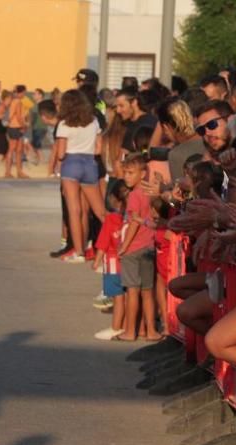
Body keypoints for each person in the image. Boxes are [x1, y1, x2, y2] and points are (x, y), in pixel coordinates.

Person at [54, 89, 106, 263]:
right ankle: (117, 239)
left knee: (74, 211)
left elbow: (61, 154)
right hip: (90, 163)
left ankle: (79, 252)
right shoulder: (93, 121)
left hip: (71, 164)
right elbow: (99, 148)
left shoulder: (64, 124)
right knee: (98, 211)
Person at [115, 153, 160, 342]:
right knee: (148, 292)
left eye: (131, 173)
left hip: (133, 249)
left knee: (132, 291)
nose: (126, 176)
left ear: (142, 174)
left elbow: (133, 223)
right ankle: (150, 331)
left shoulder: (134, 195)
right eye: (125, 173)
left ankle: (130, 331)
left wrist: (123, 247)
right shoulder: (150, 192)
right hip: (149, 246)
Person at [93, 179, 129, 340]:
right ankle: (128, 325)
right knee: (129, 297)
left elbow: (103, 242)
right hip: (128, 263)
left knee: (118, 299)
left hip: (113, 265)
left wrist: (96, 261)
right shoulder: (131, 219)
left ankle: (116, 327)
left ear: (113, 200)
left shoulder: (111, 220)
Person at [5, 84, 29, 178]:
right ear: (21, 92)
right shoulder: (17, 101)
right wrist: (23, 126)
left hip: (15, 127)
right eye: (24, 93)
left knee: (19, 150)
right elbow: (18, 116)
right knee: (12, 149)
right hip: (15, 127)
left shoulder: (14, 100)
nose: (24, 95)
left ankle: (19, 171)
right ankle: (8, 172)